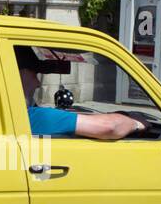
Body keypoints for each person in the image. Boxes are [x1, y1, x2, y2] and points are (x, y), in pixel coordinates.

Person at [16, 47, 147, 140]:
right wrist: (136, 123)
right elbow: (110, 127)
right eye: (34, 75)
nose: (38, 83)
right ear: (19, 76)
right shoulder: (32, 118)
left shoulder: (6, 117)